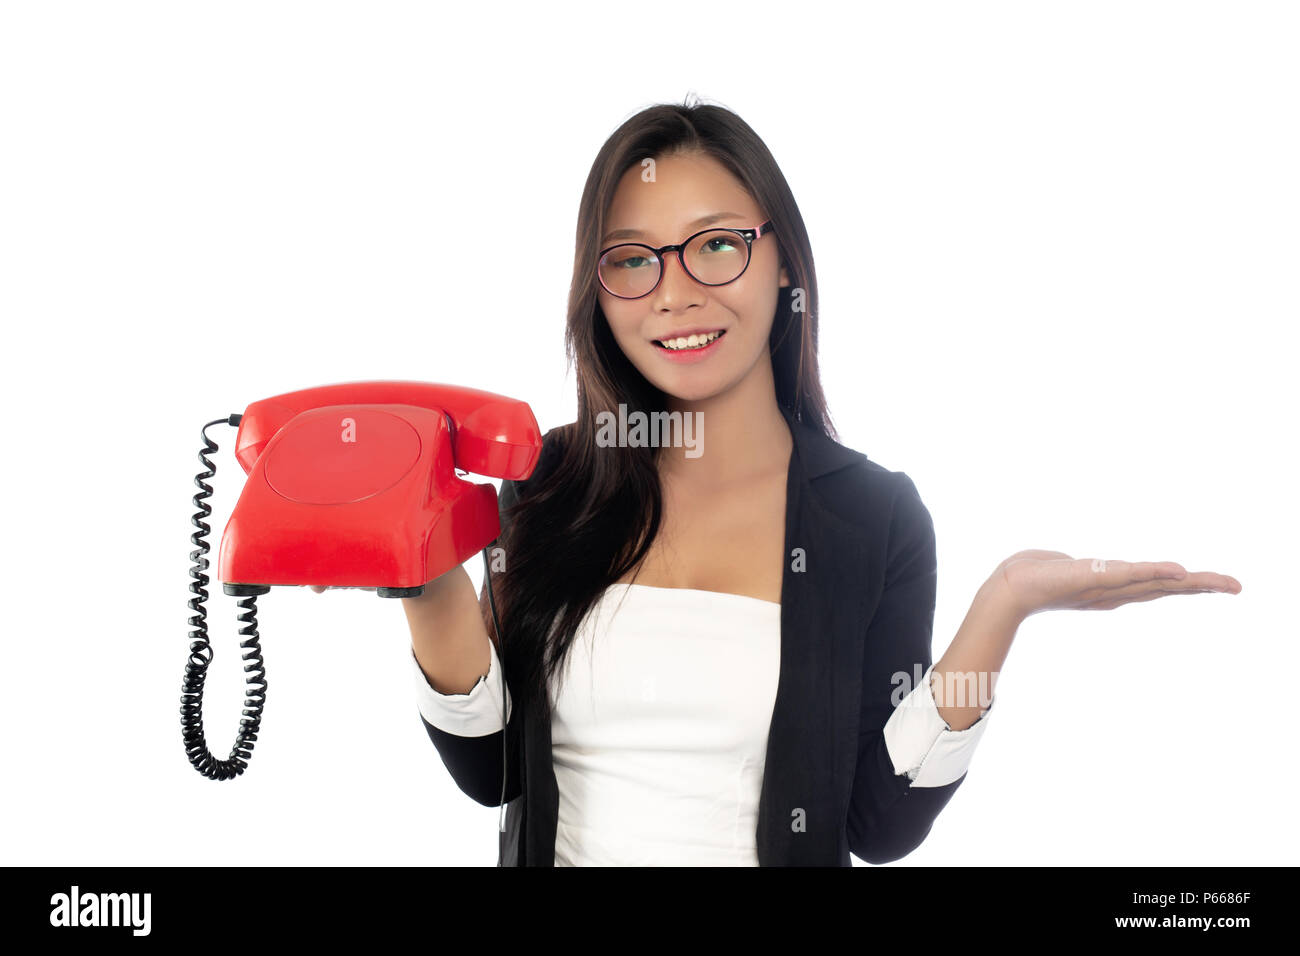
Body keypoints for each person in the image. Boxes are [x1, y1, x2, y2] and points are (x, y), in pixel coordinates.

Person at [317, 101, 1240, 866]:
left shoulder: (871, 518)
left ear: (784, 258)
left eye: (716, 245)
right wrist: (423, 572)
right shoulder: (551, 482)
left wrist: (1004, 606)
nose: (674, 293)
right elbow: (493, 775)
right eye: (632, 259)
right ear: (595, 291)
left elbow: (880, 826)